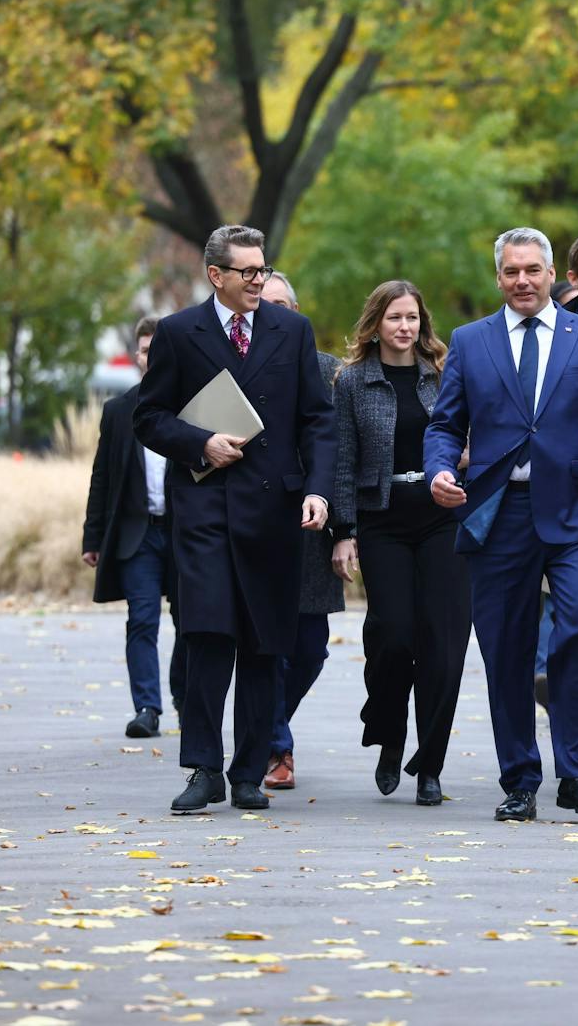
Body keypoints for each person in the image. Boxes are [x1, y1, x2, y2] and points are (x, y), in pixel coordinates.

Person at [424, 226, 578, 822]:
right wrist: (440, 469)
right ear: (499, 278)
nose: (522, 280)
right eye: (511, 271)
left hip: (574, 508)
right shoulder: (470, 342)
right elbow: (444, 426)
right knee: (507, 651)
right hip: (498, 514)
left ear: (551, 275)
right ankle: (519, 779)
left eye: (532, 270)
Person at [134, 225, 335, 815]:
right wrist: (201, 443)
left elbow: (316, 421)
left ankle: (249, 771)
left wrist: (319, 491)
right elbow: (149, 418)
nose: (259, 280)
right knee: (207, 637)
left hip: (274, 510)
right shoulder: (177, 334)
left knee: (262, 645)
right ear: (215, 276)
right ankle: (203, 768)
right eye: (247, 271)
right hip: (203, 511)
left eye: (263, 269)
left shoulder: (292, 330)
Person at [331, 279, 470, 807]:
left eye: (412, 317)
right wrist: (343, 532)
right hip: (382, 519)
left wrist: (466, 457)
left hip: (444, 518)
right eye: (394, 318)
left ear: (423, 322)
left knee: (444, 648)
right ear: (376, 323)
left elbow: (473, 434)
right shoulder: (352, 381)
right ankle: (389, 734)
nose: (404, 327)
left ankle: (429, 765)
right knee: (393, 638)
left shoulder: (445, 373)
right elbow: (343, 460)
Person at [258, 271, 346, 792]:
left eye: (285, 305)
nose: (278, 315)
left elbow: (342, 451)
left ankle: (264, 725)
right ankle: (276, 745)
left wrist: (343, 526)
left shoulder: (330, 372)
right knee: (270, 645)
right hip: (259, 522)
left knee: (311, 646)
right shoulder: (239, 368)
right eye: (267, 306)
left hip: (315, 524)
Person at [83, 316, 179, 738]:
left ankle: (185, 697)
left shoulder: (195, 405)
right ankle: (147, 707)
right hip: (137, 535)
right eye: (144, 349)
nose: (151, 356)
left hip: (185, 533)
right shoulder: (119, 411)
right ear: (137, 357)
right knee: (142, 619)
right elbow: (101, 477)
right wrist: (92, 537)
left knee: (192, 621)